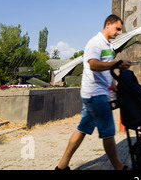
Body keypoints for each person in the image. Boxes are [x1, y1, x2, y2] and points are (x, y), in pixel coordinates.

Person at [56, 14, 132, 170]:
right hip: (95, 95)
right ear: (108, 25)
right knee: (108, 132)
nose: (119, 32)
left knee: (82, 129)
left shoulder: (108, 46)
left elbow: (105, 68)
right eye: (117, 29)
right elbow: (93, 65)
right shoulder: (95, 43)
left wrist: (112, 85)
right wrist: (117, 63)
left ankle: (61, 166)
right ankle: (119, 167)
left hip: (97, 93)